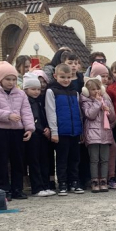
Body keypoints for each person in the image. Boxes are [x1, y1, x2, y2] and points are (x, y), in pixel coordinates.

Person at [0, 62, 35, 200]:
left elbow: (26, 111)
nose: (11, 82)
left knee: (18, 161)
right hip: (1, 131)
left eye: (14, 79)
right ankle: (4, 189)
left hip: (17, 131)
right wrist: (8, 115)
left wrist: (29, 128)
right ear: (0, 79)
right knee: (1, 161)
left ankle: (17, 189)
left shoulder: (21, 94)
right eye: (8, 79)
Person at [46, 63, 83, 196]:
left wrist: (81, 130)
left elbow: (79, 112)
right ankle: (62, 182)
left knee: (74, 158)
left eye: (68, 77)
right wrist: (54, 131)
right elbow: (51, 112)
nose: (66, 80)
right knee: (62, 158)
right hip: (61, 132)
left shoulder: (75, 92)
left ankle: (74, 181)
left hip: (74, 131)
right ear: (55, 76)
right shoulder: (52, 91)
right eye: (62, 77)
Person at [80, 77, 116, 193]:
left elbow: (112, 119)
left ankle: (103, 181)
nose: (96, 92)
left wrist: (107, 110)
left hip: (105, 134)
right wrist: (97, 103)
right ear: (87, 91)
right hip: (93, 134)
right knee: (94, 160)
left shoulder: (105, 99)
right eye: (92, 90)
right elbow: (89, 115)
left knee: (105, 159)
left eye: (97, 89)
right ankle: (95, 181)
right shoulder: (86, 101)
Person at [23, 73, 55, 197]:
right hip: (34, 134)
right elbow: (32, 119)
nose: (36, 92)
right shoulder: (27, 102)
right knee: (34, 161)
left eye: (38, 89)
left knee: (44, 160)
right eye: (33, 89)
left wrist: (47, 128)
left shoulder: (39, 101)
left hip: (42, 134)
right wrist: (42, 130)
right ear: (26, 89)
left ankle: (45, 185)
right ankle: (36, 187)